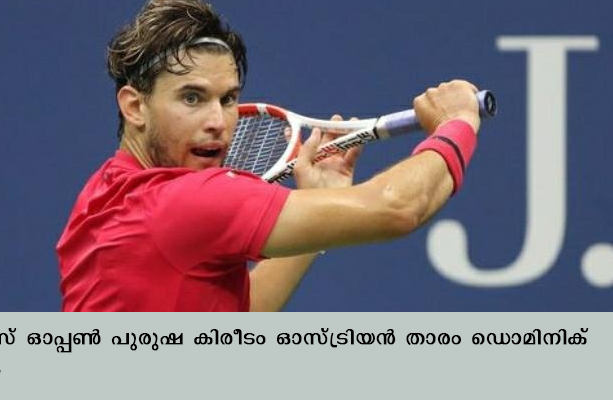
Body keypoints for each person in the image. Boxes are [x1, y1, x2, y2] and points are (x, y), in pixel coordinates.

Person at [56, 0, 483, 312]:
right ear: (134, 106)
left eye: (227, 99)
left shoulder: (102, 194)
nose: (217, 122)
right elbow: (397, 208)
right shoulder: (187, 201)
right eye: (192, 98)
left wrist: (317, 199)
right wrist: (456, 124)